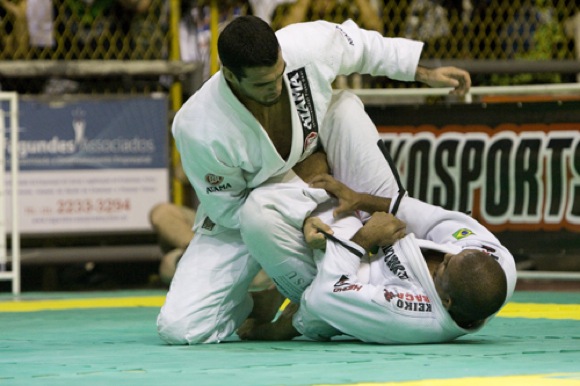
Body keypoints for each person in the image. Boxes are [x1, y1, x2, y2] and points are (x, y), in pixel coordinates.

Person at [157, 14, 471, 345]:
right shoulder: (198, 125)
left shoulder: (304, 46)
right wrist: (302, 212)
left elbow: (363, 47)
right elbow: (229, 209)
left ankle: (405, 268)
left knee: (345, 110)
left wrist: (425, 74)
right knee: (182, 328)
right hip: (249, 212)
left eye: (279, 74)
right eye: (263, 84)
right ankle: (293, 297)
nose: (277, 87)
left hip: (328, 153)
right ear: (230, 76)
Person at [237, 171, 516, 343]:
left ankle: (283, 289)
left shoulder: (408, 315)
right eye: (453, 255)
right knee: (344, 109)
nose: (445, 256)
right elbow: (429, 217)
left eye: (444, 266)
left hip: (333, 270)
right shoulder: (493, 258)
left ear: (446, 301)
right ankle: (278, 290)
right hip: (364, 234)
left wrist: (365, 239)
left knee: (256, 215)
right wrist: (359, 200)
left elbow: (324, 299)